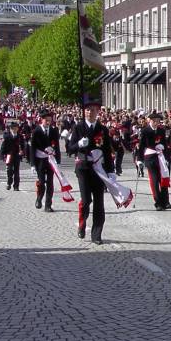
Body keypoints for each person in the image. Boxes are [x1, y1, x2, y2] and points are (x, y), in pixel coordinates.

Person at [69, 97, 115, 244]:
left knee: (99, 203)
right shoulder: (78, 127)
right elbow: (69, 149)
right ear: (84, 111)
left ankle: (97, 234)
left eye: (93, 110)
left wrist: (111, 171)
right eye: (88, 109)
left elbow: (107, 151)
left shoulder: (102, 129)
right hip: (83, 168)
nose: (90, 112)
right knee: (86, 199)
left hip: (98, 169)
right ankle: (82, 225)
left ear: (98, 112)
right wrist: (79, 144)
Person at [30, 109, 61, 212]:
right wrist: (33, 164)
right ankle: (39, 198)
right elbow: (32, 148)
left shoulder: (53, 131)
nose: (48, 123)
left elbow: (57, 146)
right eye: (46, 120)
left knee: (50, 183)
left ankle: (48, 205)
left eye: (50, 120)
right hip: (40, 160)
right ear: (41, 120)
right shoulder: (36, 131)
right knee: (42, 182)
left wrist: (58, 161)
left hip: (51, 160)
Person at [1, 121, 23, 191]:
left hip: (17, 155)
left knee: (17, 171)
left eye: (16, 128)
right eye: (13, 128)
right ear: (10, 129)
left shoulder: (20, 136)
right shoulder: (7, 136)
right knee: (9, 170)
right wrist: (2, 155)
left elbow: (23, 145)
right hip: (9, 155)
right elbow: (3, 146)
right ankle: (9, 183)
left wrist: (22, 151)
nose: (14, 130)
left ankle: (16, 186)